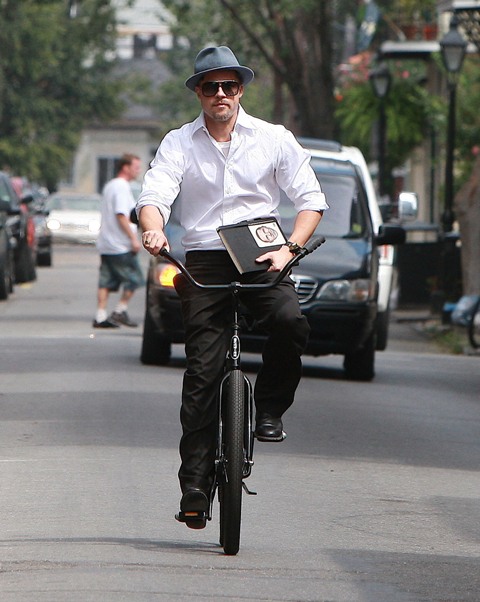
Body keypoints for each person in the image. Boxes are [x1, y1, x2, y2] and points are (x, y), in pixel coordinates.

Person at [136, 46, 328, 526]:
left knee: (291, 321)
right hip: (204, 256)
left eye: (230, 85)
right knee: (202, 373)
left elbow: (310, 200)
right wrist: (154, 229)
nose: (220, 94)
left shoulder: (273, 138)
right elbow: (155, 194)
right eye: (211, 86)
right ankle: (195, 487)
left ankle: (269, 409)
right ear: (198, 92)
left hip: (261, 252)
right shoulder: (179, 142)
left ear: (241, 89)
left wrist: (289, 249)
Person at [93, 153, 145, 328]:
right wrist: (133, 239)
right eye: (136, 167)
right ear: (125, 167)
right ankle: (120, 310)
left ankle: (100, 316)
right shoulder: (122, 187)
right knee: (135, 279)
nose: (138, 171)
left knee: (106, 281)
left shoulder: (110, 186)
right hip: (120, 244)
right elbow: (122, 215)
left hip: (107, 243)